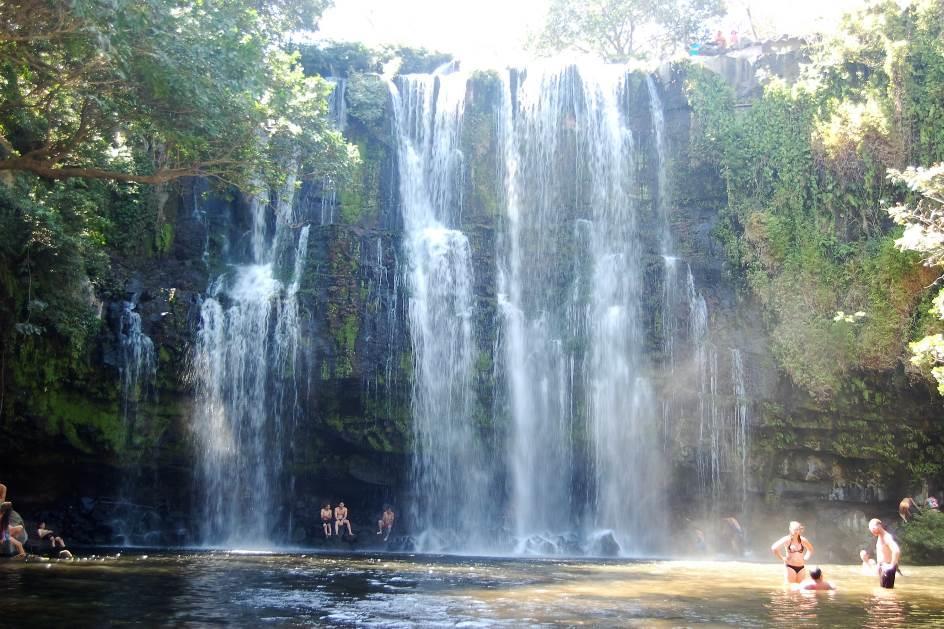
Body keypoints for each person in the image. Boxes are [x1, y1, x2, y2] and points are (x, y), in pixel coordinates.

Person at [869, 518, 901, 589]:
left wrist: (891, 566)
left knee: (887, 594)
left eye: (873, 528)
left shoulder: (887, 537)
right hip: (883, 567)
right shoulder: (880, 536)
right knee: (883, 592)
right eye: (870, 529)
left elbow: (896, 551)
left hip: (887, 567)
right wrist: (878, 567)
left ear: (879, 526)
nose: (872, 531)